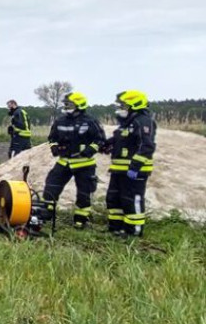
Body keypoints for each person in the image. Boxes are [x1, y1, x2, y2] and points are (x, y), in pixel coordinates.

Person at [42, 91, 105, 229]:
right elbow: (52, 138)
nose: (66, 107)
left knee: (83, 193)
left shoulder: (90, 121)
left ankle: (81, 220)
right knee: (51, 186)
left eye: (69, 104)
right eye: (65, 104)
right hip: (64, 162)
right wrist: (54, 147)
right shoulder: (60, 121)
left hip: (84, 164)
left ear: (79, 105)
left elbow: (100, 140)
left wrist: (88, 151)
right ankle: (46, 213)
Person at [102, 90, 156, 237]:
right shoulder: (126, 123)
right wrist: (106, 144)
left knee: (131, 200)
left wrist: (135, 167)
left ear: (135, 105)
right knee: (114, 199)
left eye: (124, 106)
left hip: (134, 171)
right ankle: (116, 228)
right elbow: (119, 139)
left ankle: (134, 232)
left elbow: (147, 146)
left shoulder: (143, 121)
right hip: (118, 170)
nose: (120, 109)